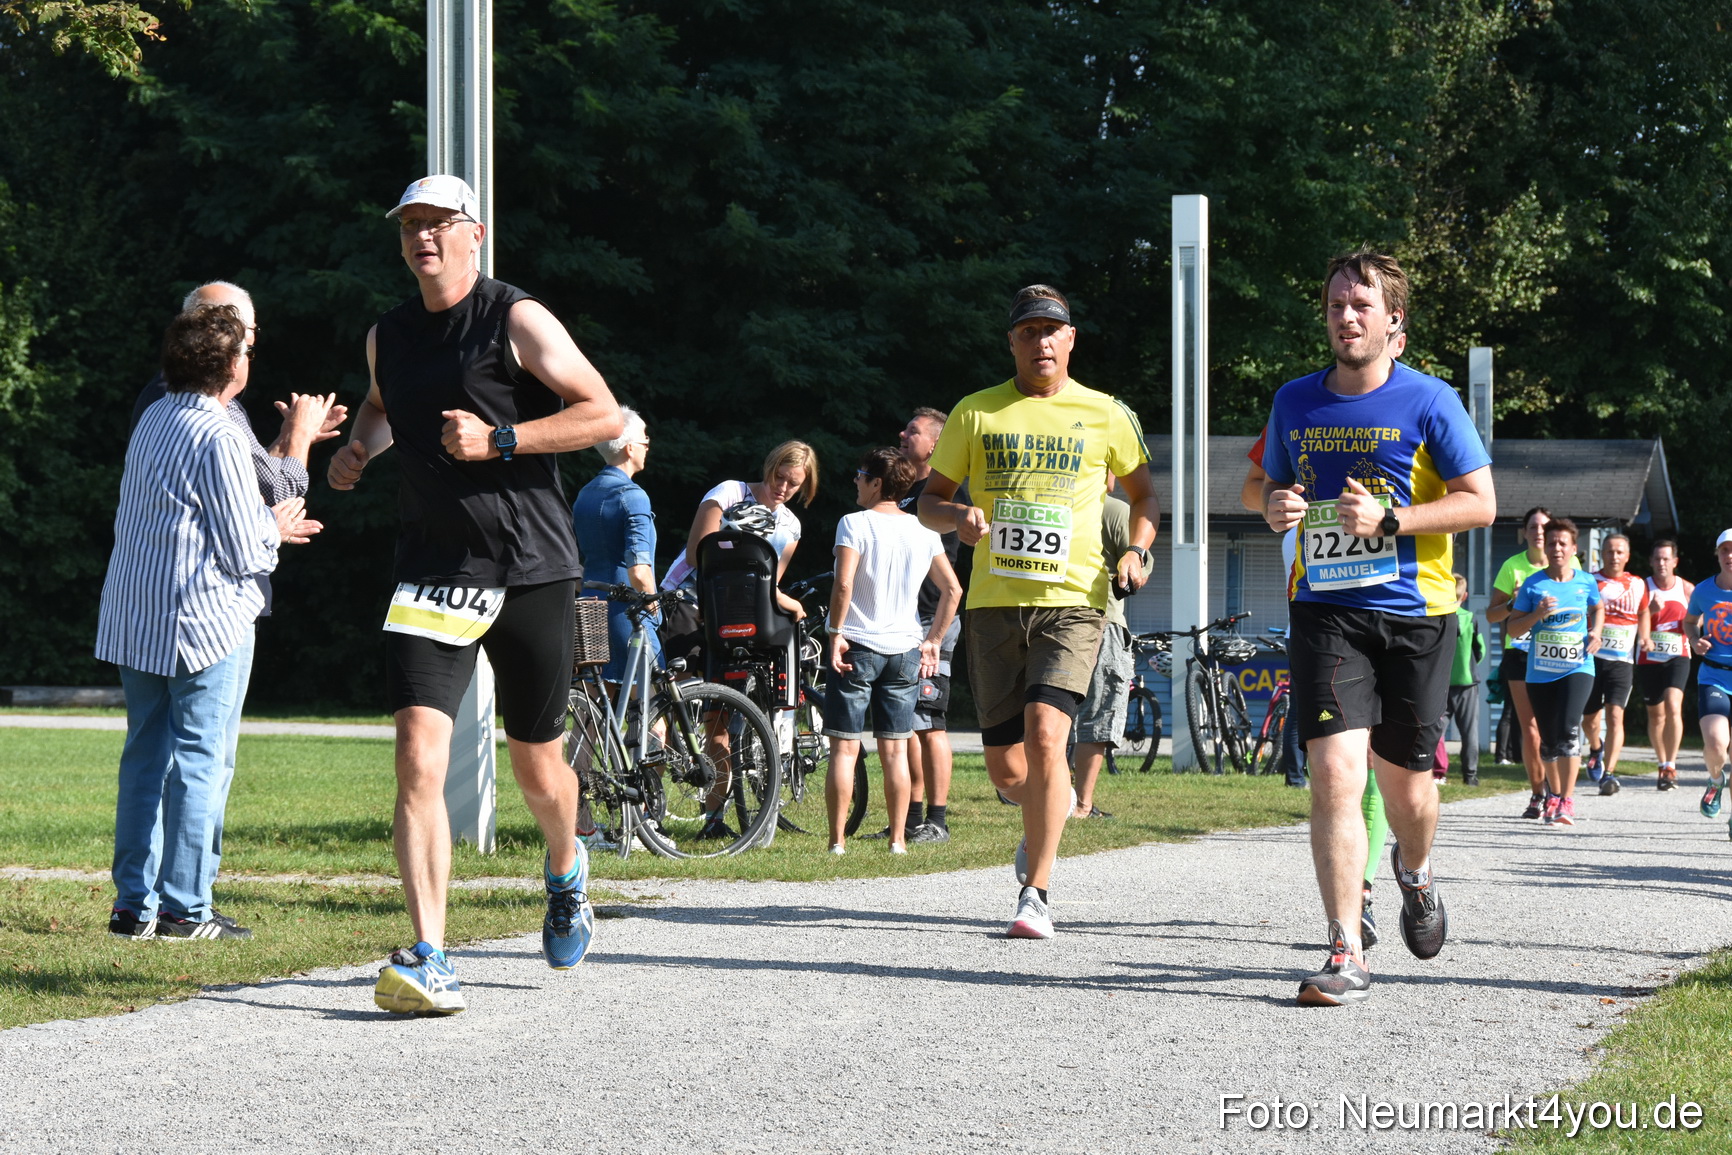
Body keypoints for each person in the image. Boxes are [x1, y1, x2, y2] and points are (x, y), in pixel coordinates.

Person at [327, 175, 624, 1015]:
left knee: (537, 764)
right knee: (418, 755)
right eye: (410, 224)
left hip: (531, 563)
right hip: (431, 568)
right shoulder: (389, 334)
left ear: (475, 234)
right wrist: (358, 449)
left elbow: (602, 413)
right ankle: (431, 952)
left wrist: (500, 439)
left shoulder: (516, 318)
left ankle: (566, 870)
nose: (424, 236)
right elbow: (387, 409)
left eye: (439, 223)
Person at [1261, 249, 1495, 1006]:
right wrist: (1274, 505)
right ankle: (1344, 945)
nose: (1346, 317)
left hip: (1416, 617)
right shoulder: (1294, 400)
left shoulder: (1431, 401)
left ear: (1393, 320)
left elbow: (1480, 502)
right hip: (1325, 609)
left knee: (1410, 791)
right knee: (1334, 770)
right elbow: (1266, 479)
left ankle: (1416, 873)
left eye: (1361, 305)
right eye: (1335, 305)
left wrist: (1392, 519)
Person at [920, 284, 1157, 939]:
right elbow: (928, 501)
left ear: (1071, 339)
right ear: (1013, 342)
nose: (1042, 340)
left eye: (1053, 329)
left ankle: (1037, 892)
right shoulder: (976, 413)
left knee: (1051, 736)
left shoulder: (1107, 413)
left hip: (1073, 604)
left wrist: (1136, 551)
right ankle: (1038, 822)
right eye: (1029, 331)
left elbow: (1145, 499)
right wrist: (958, 516)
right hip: (996, 604)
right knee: (1007, 768)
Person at [98, 304, 319, 941]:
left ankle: (132, 906)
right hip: (205, 620)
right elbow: (244, 547)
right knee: (199, 762)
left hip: (136, 616)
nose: (249, 360)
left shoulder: (155, 417)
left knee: (143, 758)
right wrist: (273, 529)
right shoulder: (218, 432)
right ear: (229, 366)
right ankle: (185, 909)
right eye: (244, 352)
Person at [825, 449, 961, 855]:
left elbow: (844, 585)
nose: (855, 481)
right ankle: (899, 840)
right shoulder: (924, 532)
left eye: (860, 474)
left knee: (845, 748)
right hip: (905, 649)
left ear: (876, 483)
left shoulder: (854, 524)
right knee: (896, 748)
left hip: (858, 644)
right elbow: (953, 589)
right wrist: (933, 640)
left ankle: (837, 842)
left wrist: (834, 631)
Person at [131, 281, 347, 505]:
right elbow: (276, 495)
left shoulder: (166, 399)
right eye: (249, 345)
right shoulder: (208, 410)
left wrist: (288, 439)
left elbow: (253, 478)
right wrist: (300, 436)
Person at [897, 407, 966, 843]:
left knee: (931, 720)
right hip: (897, 621)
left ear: (937, 444)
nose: (903, 435)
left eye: (914, 431)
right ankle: (908, 819)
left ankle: (937, 822)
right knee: (905, 721)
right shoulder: (903, 492)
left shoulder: (946, 497)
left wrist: (935, 637)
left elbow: (950, 575)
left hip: (932, 620)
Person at [1505, 519, 1603, 827]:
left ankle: (1567, 801)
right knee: (1547, 740)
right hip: (1540, 671)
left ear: (1574, 549)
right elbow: (1513, 627)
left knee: (1568, 729)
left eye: (1563, 543)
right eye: (1551, 543)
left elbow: (1597, 608)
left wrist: (1596, 631)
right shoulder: (1534, 585)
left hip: (1578, 666)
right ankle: (1554, 796)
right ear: (1544, 548)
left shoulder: (1586, 581)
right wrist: (1537, 614)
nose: (1557, 548)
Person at [1071, 475, 1155, 818]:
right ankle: (1081, 804)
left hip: (1044, 620)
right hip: (1102, 622)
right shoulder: (1115, 509)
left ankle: (1046, 794)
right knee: (1098, 713)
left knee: (1050, 711)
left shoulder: (1051, 505)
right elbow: (1139, 570)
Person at [660, 440, 817, 623]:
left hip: (734, 615)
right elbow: (696, 555)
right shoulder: (731, 492)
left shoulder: (791, 527)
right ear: (769, 467)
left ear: (803, 486)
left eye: (793, 483)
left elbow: (769, 584)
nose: (782, 487)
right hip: (685, 600)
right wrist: (786, 601)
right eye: (779, 476)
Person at [572, 407, 659, 685]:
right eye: (645, 440)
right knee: (653, 702)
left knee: (597, 710)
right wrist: (654, 606)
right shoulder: (634, 497)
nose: (648, 446)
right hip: (628, 609)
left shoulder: (585, 493)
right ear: (630, 448)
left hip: (590, 606)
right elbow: (639, 570)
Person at [1487, 507, 1560, 818]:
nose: (1539, 532)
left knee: (1553, 728)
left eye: (1545, 527)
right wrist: (1513, 603)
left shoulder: (1569, 564)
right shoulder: (1512, 566)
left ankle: (1558, 793)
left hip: (1557, 652)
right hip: (1519, 651)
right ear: (1525, 533)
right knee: (1530, 730)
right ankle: (1537, 793)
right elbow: (1492, 614)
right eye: (1533, 526)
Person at [1581, 533, 1648, 796]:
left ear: (1627, 556)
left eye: (1619, 551)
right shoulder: (1591, 581)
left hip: (1622, 661)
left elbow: (1643, 612)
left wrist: (1644, 636)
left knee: (1616, 715)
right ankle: (1596, 748)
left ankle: (1609, 774)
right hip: (1592, 658)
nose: (1614, 556)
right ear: (1602, 554)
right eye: (1609, 551)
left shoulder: (1638, 584)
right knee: (1589, 720)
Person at [1686, 531, 1732, 834]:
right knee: (1716, 743)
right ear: (1717, 554)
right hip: (1714, 675)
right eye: (1725, 550)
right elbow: (1690, 622)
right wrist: (1694, 641)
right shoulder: (1703, 591)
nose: (1730, 556)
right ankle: (1715, 779)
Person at [1639, 539, 1693, 790]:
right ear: (1651, 561)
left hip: (1677, 655)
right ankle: (1662, 764)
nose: (1661, 563)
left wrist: (1697, 626)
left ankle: (1671, 764)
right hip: (1648, 657)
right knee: (1655, 713)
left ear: (1675, 562)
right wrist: (1648, 612)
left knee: (1673, 705)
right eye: (1657, 559)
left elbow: (1700, 617)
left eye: (1666, 559)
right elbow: (1630, 620)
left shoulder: (1686, 589)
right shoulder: (1642, 588)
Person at [1447, 574, 1486, 787]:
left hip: (1442, 683)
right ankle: (1470, 776)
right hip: (1467, 682)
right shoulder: (1470, 617)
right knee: (1469, 732)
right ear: (1466, 595)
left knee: (1434, 732)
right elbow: (1481, 649)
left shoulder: (1438, 617)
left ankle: (1433, 773)